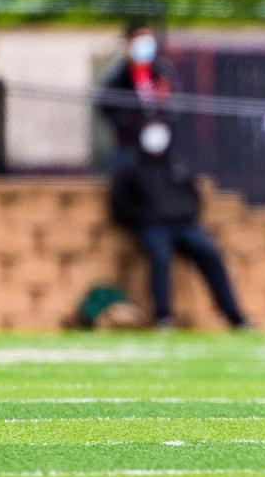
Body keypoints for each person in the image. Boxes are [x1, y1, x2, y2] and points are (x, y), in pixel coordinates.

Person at [110, 121, 250, 331]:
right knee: (161, 257)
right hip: (153, 226)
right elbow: (120, 204)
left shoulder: (178, 167)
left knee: (210, 253)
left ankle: (235, 317)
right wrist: (143, 218)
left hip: (185, 225)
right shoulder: (131, 171)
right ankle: (163, 317)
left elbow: (194, 196)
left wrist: (188, 215)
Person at [99, 19, 176, 172]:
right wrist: (127, 121)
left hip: (159, 142)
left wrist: (164, 105)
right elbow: (107, 105)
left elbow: (176, 106)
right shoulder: (120, 76)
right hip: (129, 145)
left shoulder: (162, 73)